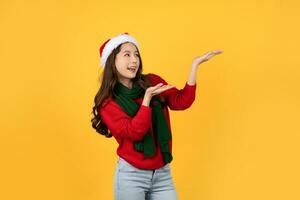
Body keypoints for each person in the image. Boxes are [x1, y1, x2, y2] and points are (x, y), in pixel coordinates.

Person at [91, 32, 223, 200]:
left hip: (162, 173)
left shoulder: (151, 81)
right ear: (112, 61)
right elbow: (134, 132)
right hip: (131, 176)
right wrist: (146, 100)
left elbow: (181, 102)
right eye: (127, 55)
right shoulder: (108, 102)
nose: (134, 60)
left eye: (136, 54)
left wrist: (194, 66)